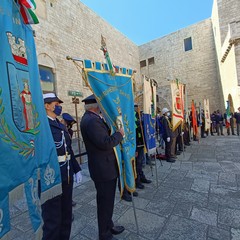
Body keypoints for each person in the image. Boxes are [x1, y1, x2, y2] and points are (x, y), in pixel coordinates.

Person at [80, 94, 125, 240]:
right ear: (95, 106)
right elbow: (105, 142)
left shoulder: (92, 118)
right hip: (103, 169)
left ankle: (108, 225)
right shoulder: (92, 121)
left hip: (104, 167)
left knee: (107, 201)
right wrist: (119, 134)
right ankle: (104, 234)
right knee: (105, 202)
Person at [41, 93, 82, 240]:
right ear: (46, 105)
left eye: (59, 104)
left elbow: (68, 150)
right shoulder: (41, 126)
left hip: (67, 176)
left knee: (66, 216)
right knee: (53, 220)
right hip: (51, 179)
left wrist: (76, 169)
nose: (59, 107)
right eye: (55, 104)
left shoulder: (60, 125)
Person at [134, 104, 152, 189]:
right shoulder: (132, 117)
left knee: (140, 163)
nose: (138, 108)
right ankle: (137, 181)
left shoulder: (139, 116)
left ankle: (142, 177)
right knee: (137, 164)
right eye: (136, 107)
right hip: (136, 145)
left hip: (141, 143)